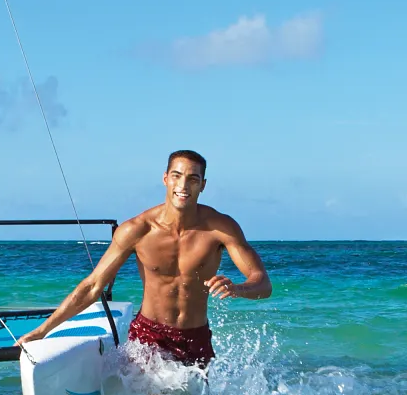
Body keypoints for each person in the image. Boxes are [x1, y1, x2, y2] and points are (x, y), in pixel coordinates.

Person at [19, 150, 270, 367]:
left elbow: (262, 284)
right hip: (149, 336)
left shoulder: (221, 228)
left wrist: (238, 289)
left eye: (193, 179)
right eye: (177, 176)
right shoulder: (137, 230)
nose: (183, 186)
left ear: (203, 185)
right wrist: (42, 331)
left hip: (196, 337)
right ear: (165, 179)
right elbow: (93, 286)